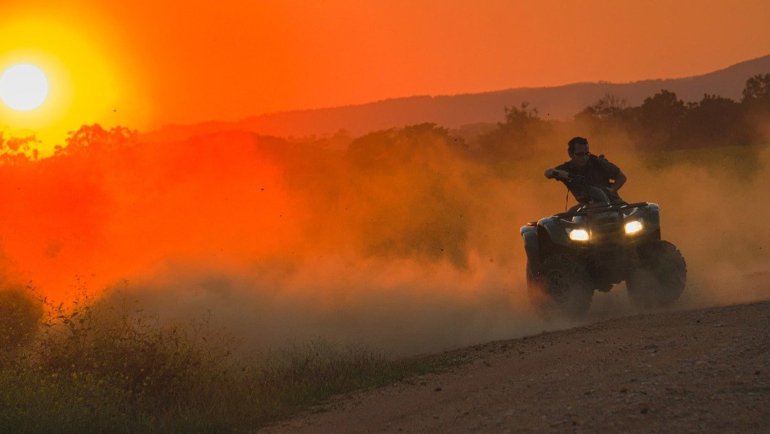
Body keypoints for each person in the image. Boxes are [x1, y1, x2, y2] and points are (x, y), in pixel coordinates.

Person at [544, 136, 626, 204]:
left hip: (612, 204)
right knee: (564, 218)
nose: (584, 158)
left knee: (634, 216)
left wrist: (612, 190)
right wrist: (562, 174)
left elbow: (621, 176)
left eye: (586, 154)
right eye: (579, 154)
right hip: (587, 209)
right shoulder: (567, 168)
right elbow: (548, 173)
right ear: (570, 154)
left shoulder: (598, 162)